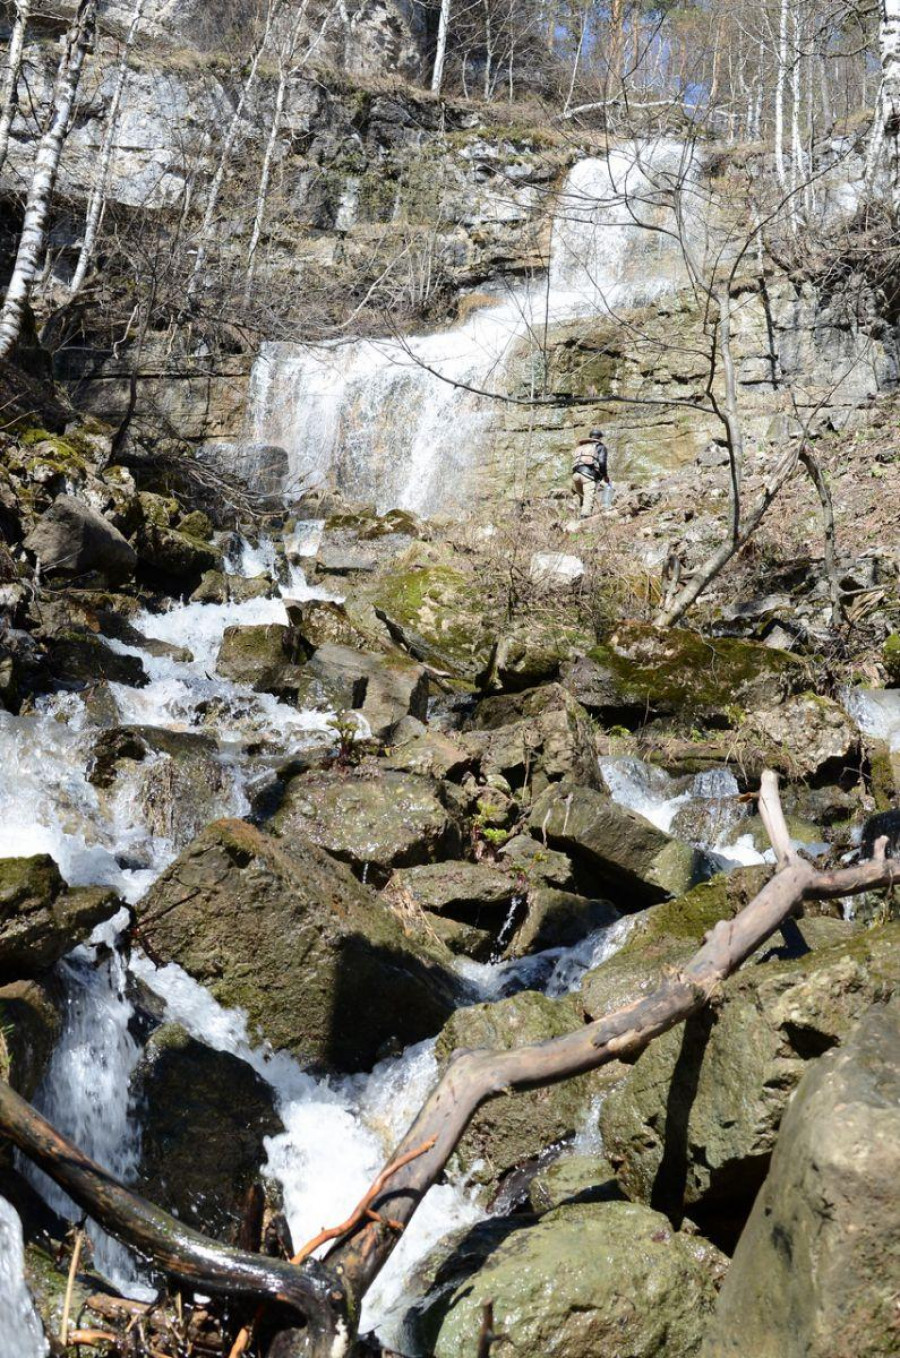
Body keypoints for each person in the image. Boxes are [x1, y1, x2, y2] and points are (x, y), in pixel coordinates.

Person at [571, 426, 610, 517]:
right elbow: (602, 463)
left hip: (576, 475)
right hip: (587, 475)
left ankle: (576, 516)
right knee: (588, 497)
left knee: (582, 497)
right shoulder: (600, 447)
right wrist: (605, 476)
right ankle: (585, 519)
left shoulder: (582, 447)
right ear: (599, 438)